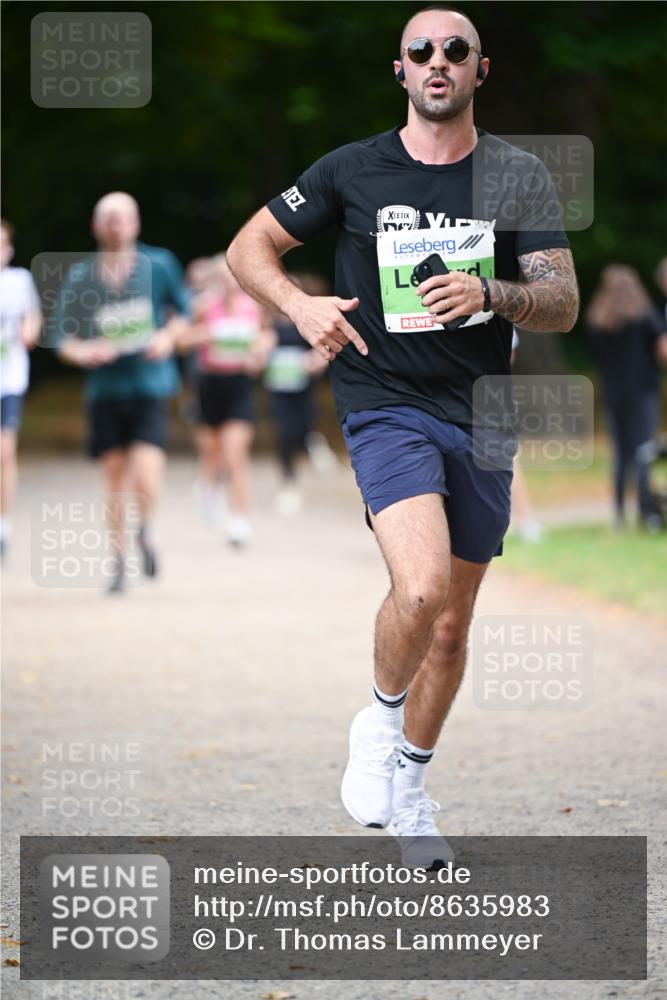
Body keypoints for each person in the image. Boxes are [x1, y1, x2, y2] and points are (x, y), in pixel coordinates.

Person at [227, 4, 578, 867]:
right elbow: (248, 249)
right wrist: (299, 305)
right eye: (420, 49)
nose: (437, 61)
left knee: (452, 628)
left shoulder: (516, 174)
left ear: (477, 71)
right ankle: (377, 722)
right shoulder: (351, 169)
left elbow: (561, 299)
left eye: (454, 50)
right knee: (418, 591)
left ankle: (411, 791)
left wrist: (489, 293)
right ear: (400, 71)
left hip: (483, 413)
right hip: (383, 400)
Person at [55, 192, 189, 592]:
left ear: (136, 223)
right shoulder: (80, 276)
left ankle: (144, 529)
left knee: (146, 478)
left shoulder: (161, 264)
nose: (117, 225)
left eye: (124, 218)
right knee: (113, 480)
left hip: (149, 385)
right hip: (105, 391)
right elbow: (62, 337)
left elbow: (183, 314)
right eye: (109, 219)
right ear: (97, 226)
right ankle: (117, 561)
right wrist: (83, 352)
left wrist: (166, 339)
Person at [177, 254, 275, 546]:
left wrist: (259, 351)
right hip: (209, 384)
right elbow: (181, 341)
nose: (228, 282)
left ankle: (238, 519)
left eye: (233, 275)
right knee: (210, 452)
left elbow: (267, 337)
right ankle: (210, 491)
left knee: (235, 453)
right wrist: (206, 334)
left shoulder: (253, 307)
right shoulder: (203, 307)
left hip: (239, 385)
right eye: (222, 276)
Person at [586, 264, 665, 531]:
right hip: (642, 392)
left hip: (613, 393)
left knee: (620, 454)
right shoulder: (645, 316)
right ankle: (646, 512)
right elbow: (662, 350)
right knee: (643, 450)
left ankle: (619, 513)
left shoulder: (597, 319)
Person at [265, 274, 331, 514]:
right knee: (284, 434)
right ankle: (288, 485)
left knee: (304, 427)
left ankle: (313, 444)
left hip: (303, 387)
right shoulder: (268, 322)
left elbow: (323, 348)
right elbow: (260, 346)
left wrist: (316, 360)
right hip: (279, 388)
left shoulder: (304, 320)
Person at [0, 219, 42, 560]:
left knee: (5, 452)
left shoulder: (19, 281)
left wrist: (29, 331)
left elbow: (33, 317)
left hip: (8, 379)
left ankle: (4, 524)